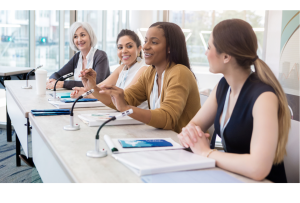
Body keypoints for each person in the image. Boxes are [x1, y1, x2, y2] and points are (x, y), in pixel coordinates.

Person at [178, 19, 290, 184]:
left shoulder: (263, 96)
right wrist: (191, 136)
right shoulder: (223, 86)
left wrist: (206, 153)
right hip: (230, 176)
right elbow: (193, 126)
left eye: (209, 47)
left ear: (225, 57)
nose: (205, 53)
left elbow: (259, 168)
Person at [79, 22, 200, 133]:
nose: (146, 46)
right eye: (146, 41)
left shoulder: (179, 72)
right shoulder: (151, 73)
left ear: (169, 48)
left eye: (154, 42)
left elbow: (168, 118)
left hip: (186, 149)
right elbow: (125, 99)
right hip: (165, 142)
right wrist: (93, 87)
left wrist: (126, 108)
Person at [70, 29, 148, 109]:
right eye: (120, 47)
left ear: (139, 49)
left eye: (129, 46)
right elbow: (100, 87)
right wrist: (85, 89)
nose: (124, 51)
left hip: (135, 118)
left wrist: (88, 94)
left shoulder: (143, 69)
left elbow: (123, 98)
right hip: (122, 115)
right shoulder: (122, 68)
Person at [46, 22, 110, 90]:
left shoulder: (101, 56)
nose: (79, 40)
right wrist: (52, 80)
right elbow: (57, 74)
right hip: (82, 97)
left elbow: (96, 83)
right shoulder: (77, 57)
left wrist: (63, 84)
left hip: (99, 99)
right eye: (75, 36)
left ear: (90, 37)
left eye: (82, 35)